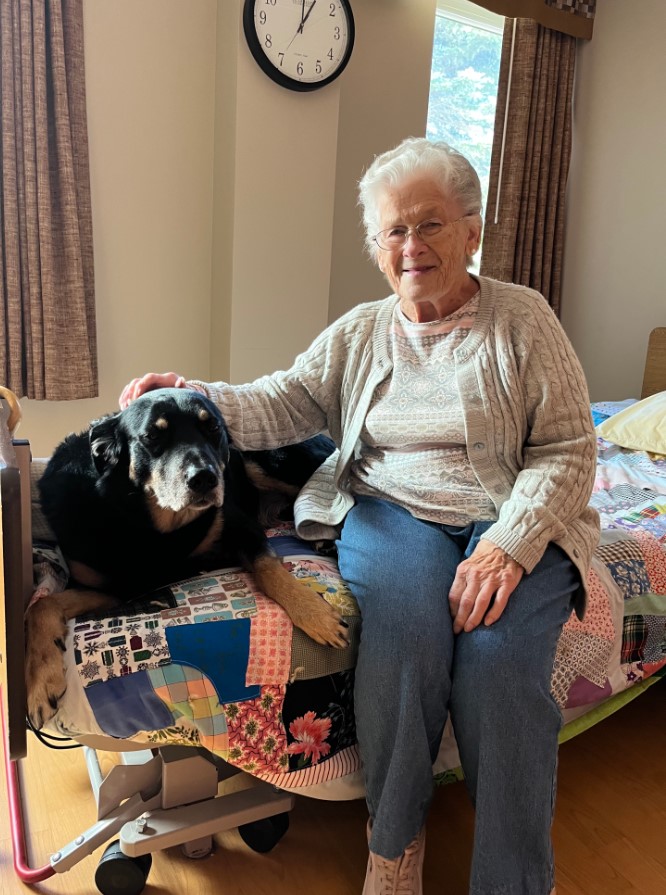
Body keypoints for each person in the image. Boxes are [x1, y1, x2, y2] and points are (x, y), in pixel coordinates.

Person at [120, 137, 600, 895]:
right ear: (378, 247)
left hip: (509, 518)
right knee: (407, 635)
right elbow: (283, 397)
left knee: (500, 665)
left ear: (472, 231)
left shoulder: (525, 321)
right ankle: (393, 843)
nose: (411, 246)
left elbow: (572, 447)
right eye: (393, 231)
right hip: (391, 507)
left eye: (430, 224)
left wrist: (510, 542)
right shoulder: (362, 329)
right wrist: (196, 395)